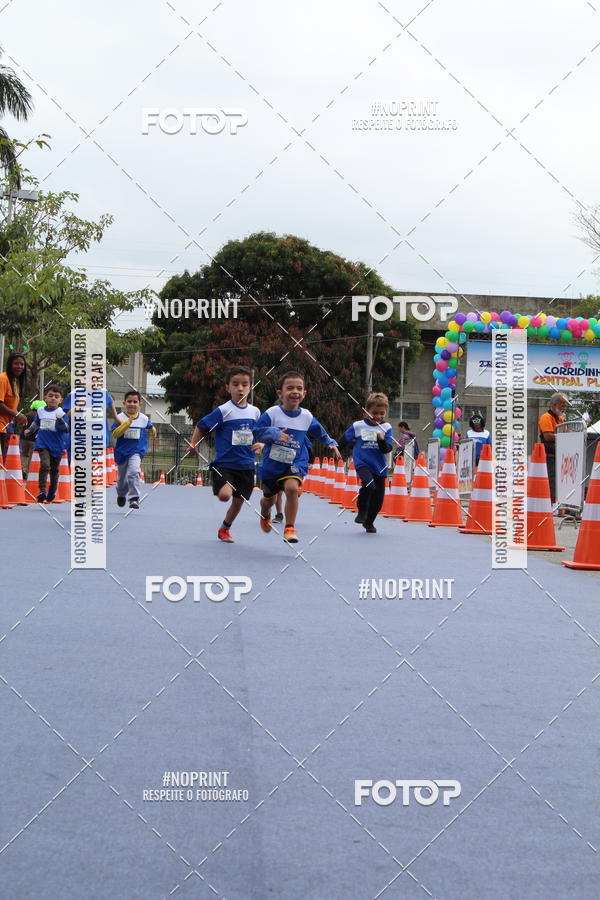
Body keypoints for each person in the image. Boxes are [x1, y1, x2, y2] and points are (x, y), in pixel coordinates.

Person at [253, 370, 341, 543]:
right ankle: (265, 513)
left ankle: (290, 528)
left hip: (295, 461)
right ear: (280, 393)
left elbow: (319, 431)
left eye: (299, 388)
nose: (295, 391)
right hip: (273, 464)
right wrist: (274, 433)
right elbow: (256, 432)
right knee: (268, 500)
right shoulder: (272, 413)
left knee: (292, 488)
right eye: (290, 388)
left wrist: (331, 443)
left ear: (304, 393)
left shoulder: (306, 416)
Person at [189, 366, 261, 542]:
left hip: (246, 465)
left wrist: (261, 444)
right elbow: (201, 425)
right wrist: (193, 444)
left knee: (238, 501)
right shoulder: (223, 410)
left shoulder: (255, 412)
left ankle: (224, 529)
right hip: (225, 464)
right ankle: (221, 488)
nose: (240, 388)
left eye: (244, 384)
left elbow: (261, 433)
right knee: (225, 496)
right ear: (228, 387)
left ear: (250, 387)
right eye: (235, 384)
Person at [338, 393, 394, 533]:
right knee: (369, 485)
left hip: (379, 466)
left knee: (378, 498)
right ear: (367, 410)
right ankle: (362, 510)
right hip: (362, 462)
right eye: (374, 413)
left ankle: (369, 522)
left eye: (382, 413)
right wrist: (336, 449)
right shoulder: (358, 426)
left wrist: (381, 439)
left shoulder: (386, 427)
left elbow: (387, 449)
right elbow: (344, 439)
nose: (378, 416)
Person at [23, 384, 69, 503]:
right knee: (45, 465)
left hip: (57, 445)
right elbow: (36, 423)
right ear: (45, 398)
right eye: (50, 396)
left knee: (54, 470)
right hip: (42, 442)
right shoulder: (41, 410)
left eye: (56, 396)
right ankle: (42, 490)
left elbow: (66, 429)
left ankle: (52, 490)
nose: (53, 398)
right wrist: (30, 430)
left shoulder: (62, 413)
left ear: (60, 400)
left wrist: (60, 420)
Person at [111, 390, 156, 510]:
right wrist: (126, 424)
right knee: (121, 480)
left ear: (139, 404)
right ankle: (121, 494)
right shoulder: (119, 417)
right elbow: (115, 434)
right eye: (129, 401)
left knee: (134, 472)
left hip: (136, 451)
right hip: (122, 452)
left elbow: (151, 427)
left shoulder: (144, 418)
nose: (132, 404)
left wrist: (153, 432)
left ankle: (134, 498)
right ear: (124, 403)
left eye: (135, 401)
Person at [538, 392, 568, 503]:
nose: (564, 408)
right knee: (551, 482)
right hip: (550, 456)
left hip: (560, 456)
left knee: (559, 483)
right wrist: (566, 437)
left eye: (565, 406)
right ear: (554, 405)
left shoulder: (560, 419)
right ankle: (550, 505)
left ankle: (558, 504)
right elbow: (548, 437)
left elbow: (567, 432)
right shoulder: (546, 417)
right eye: (562, 405)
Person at [0, 352, 27, 460]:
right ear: (10, 364)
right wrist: (17, 414)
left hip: (5, 426)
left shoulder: (16, 381)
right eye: (16, 363)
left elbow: (11, 405)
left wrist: (19, 416)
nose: (19, 366)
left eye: (22, 364)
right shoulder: (3, 379)